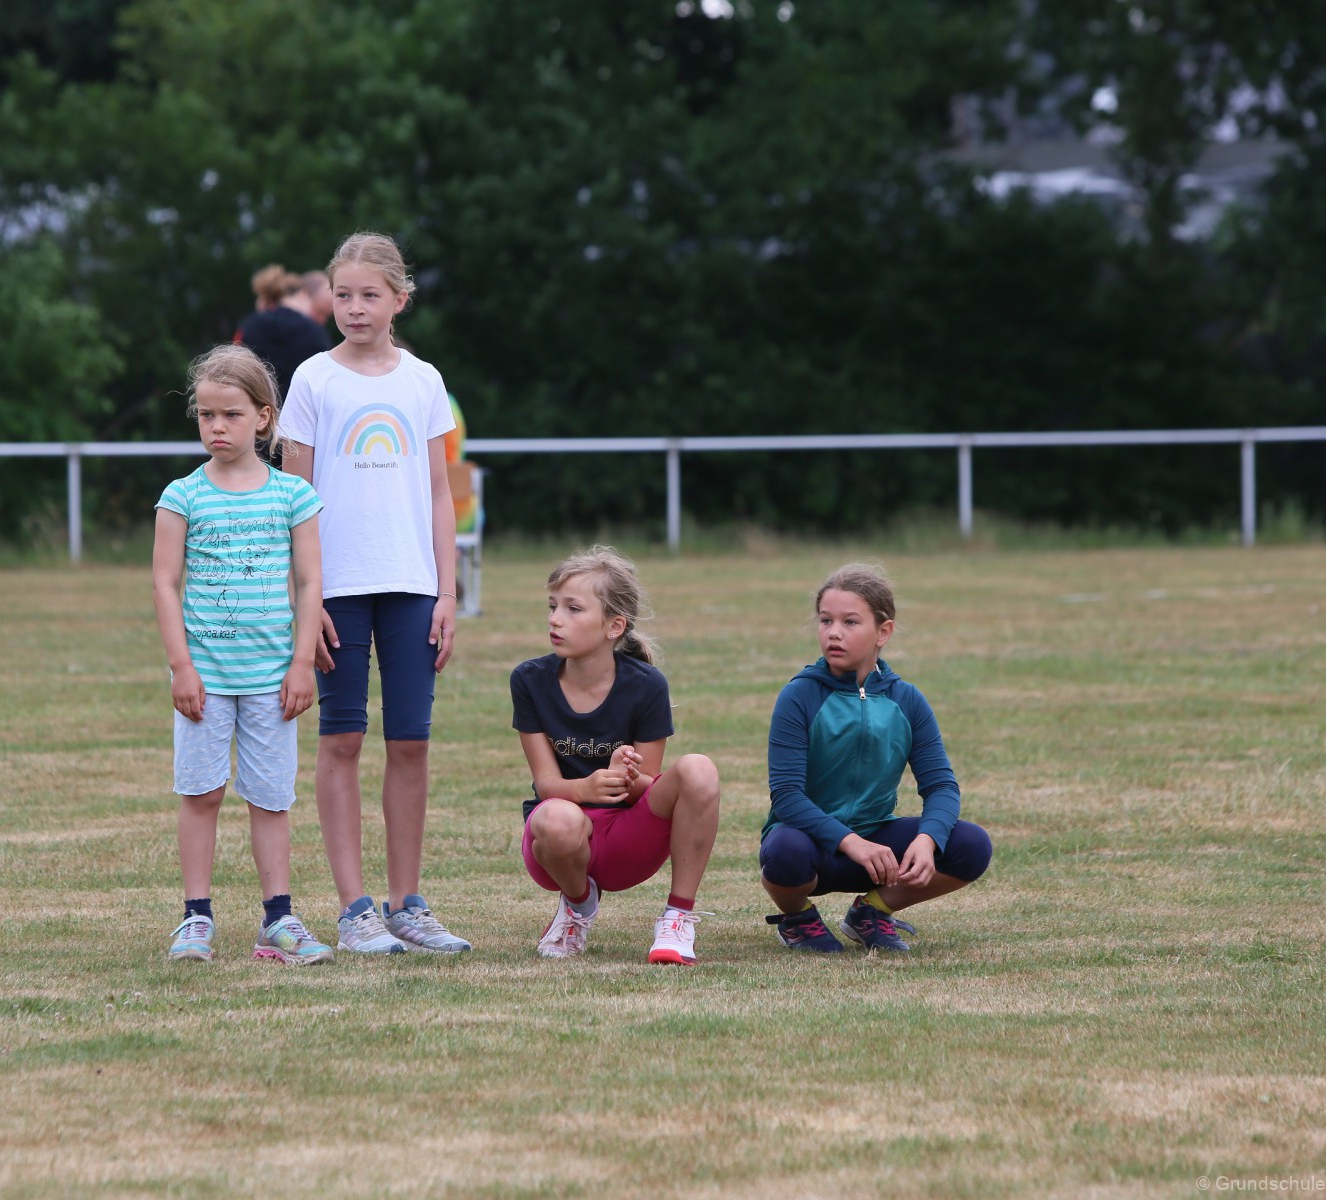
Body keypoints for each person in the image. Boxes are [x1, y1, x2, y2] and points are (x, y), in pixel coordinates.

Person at [276, 231, 469, 956]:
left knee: (410, 742)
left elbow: (440, 495)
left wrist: (447, 592)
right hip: (338, 591)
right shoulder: (312, 380)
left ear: (399, 300)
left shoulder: (423, 381)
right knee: (343, 738)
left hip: (413, 587)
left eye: (370, 295)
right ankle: (355, 910)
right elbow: (293, 500)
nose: (355, 308)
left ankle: (407, 905)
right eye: (343, 295)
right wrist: (308, 598)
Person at [153, 344, 331, 965]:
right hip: (204, 678)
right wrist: (182, 667)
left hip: (272, 679)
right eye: (206, 415)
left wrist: (302, 663)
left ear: (263, 417)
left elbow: (310, 583)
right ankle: (195, 918)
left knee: (270, 798)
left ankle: (278, 920)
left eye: (231, 414)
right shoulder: (182, 496)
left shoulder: (293, 496)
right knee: (201, 794)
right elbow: (164, 584)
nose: (217, 427)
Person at [758, 564, 993, 953]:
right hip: (812, 846)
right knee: (785, 850)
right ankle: (798, 918)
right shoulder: (799, 696)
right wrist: (850, 842)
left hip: (879, 851)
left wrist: (927, 840)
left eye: (850, 622)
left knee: (971, 844)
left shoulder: (908, 700)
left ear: (883, 632)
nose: (834, 632)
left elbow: (941, 786)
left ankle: (871, 912)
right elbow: (787, 797)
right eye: (826, 620)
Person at [514, 547, 722, 963]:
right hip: (556, 845)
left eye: (573, 609)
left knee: (699, 769)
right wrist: (588, 787)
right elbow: (546, 785)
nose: (555, 619)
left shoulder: (647, 686)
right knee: (557, 818)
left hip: (628, 842)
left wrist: (624, 776)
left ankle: (677, 919)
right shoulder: (529, 680)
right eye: (553, 606)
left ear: (615, 626)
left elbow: (648, 790)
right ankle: (578, 905)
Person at [234, 265, 330, 414]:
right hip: (301, 419)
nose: (322, 320)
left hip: (257, 417)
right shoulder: (314, 331)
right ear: (303, 295)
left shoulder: (249, 326)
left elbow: (234, 371)